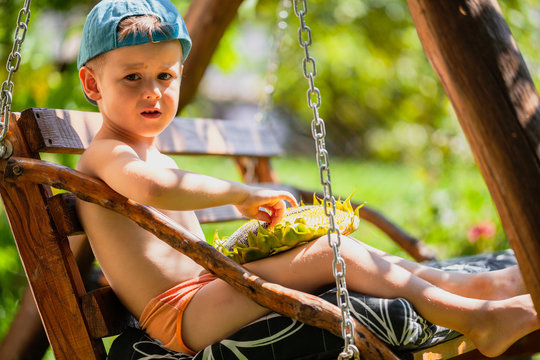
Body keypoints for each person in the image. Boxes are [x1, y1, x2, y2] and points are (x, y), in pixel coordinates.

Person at [75, 0, 539, 357]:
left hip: (202, 293)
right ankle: (477, 318)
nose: (153, 91)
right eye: (132, 77)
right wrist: (240, 192)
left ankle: (474, 290)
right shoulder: (107, 154)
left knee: (335, 244)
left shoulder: (150, 151)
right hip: (181, 316)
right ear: (93, 86)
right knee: (328, 253)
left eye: (164, 75)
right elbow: (153, 190)